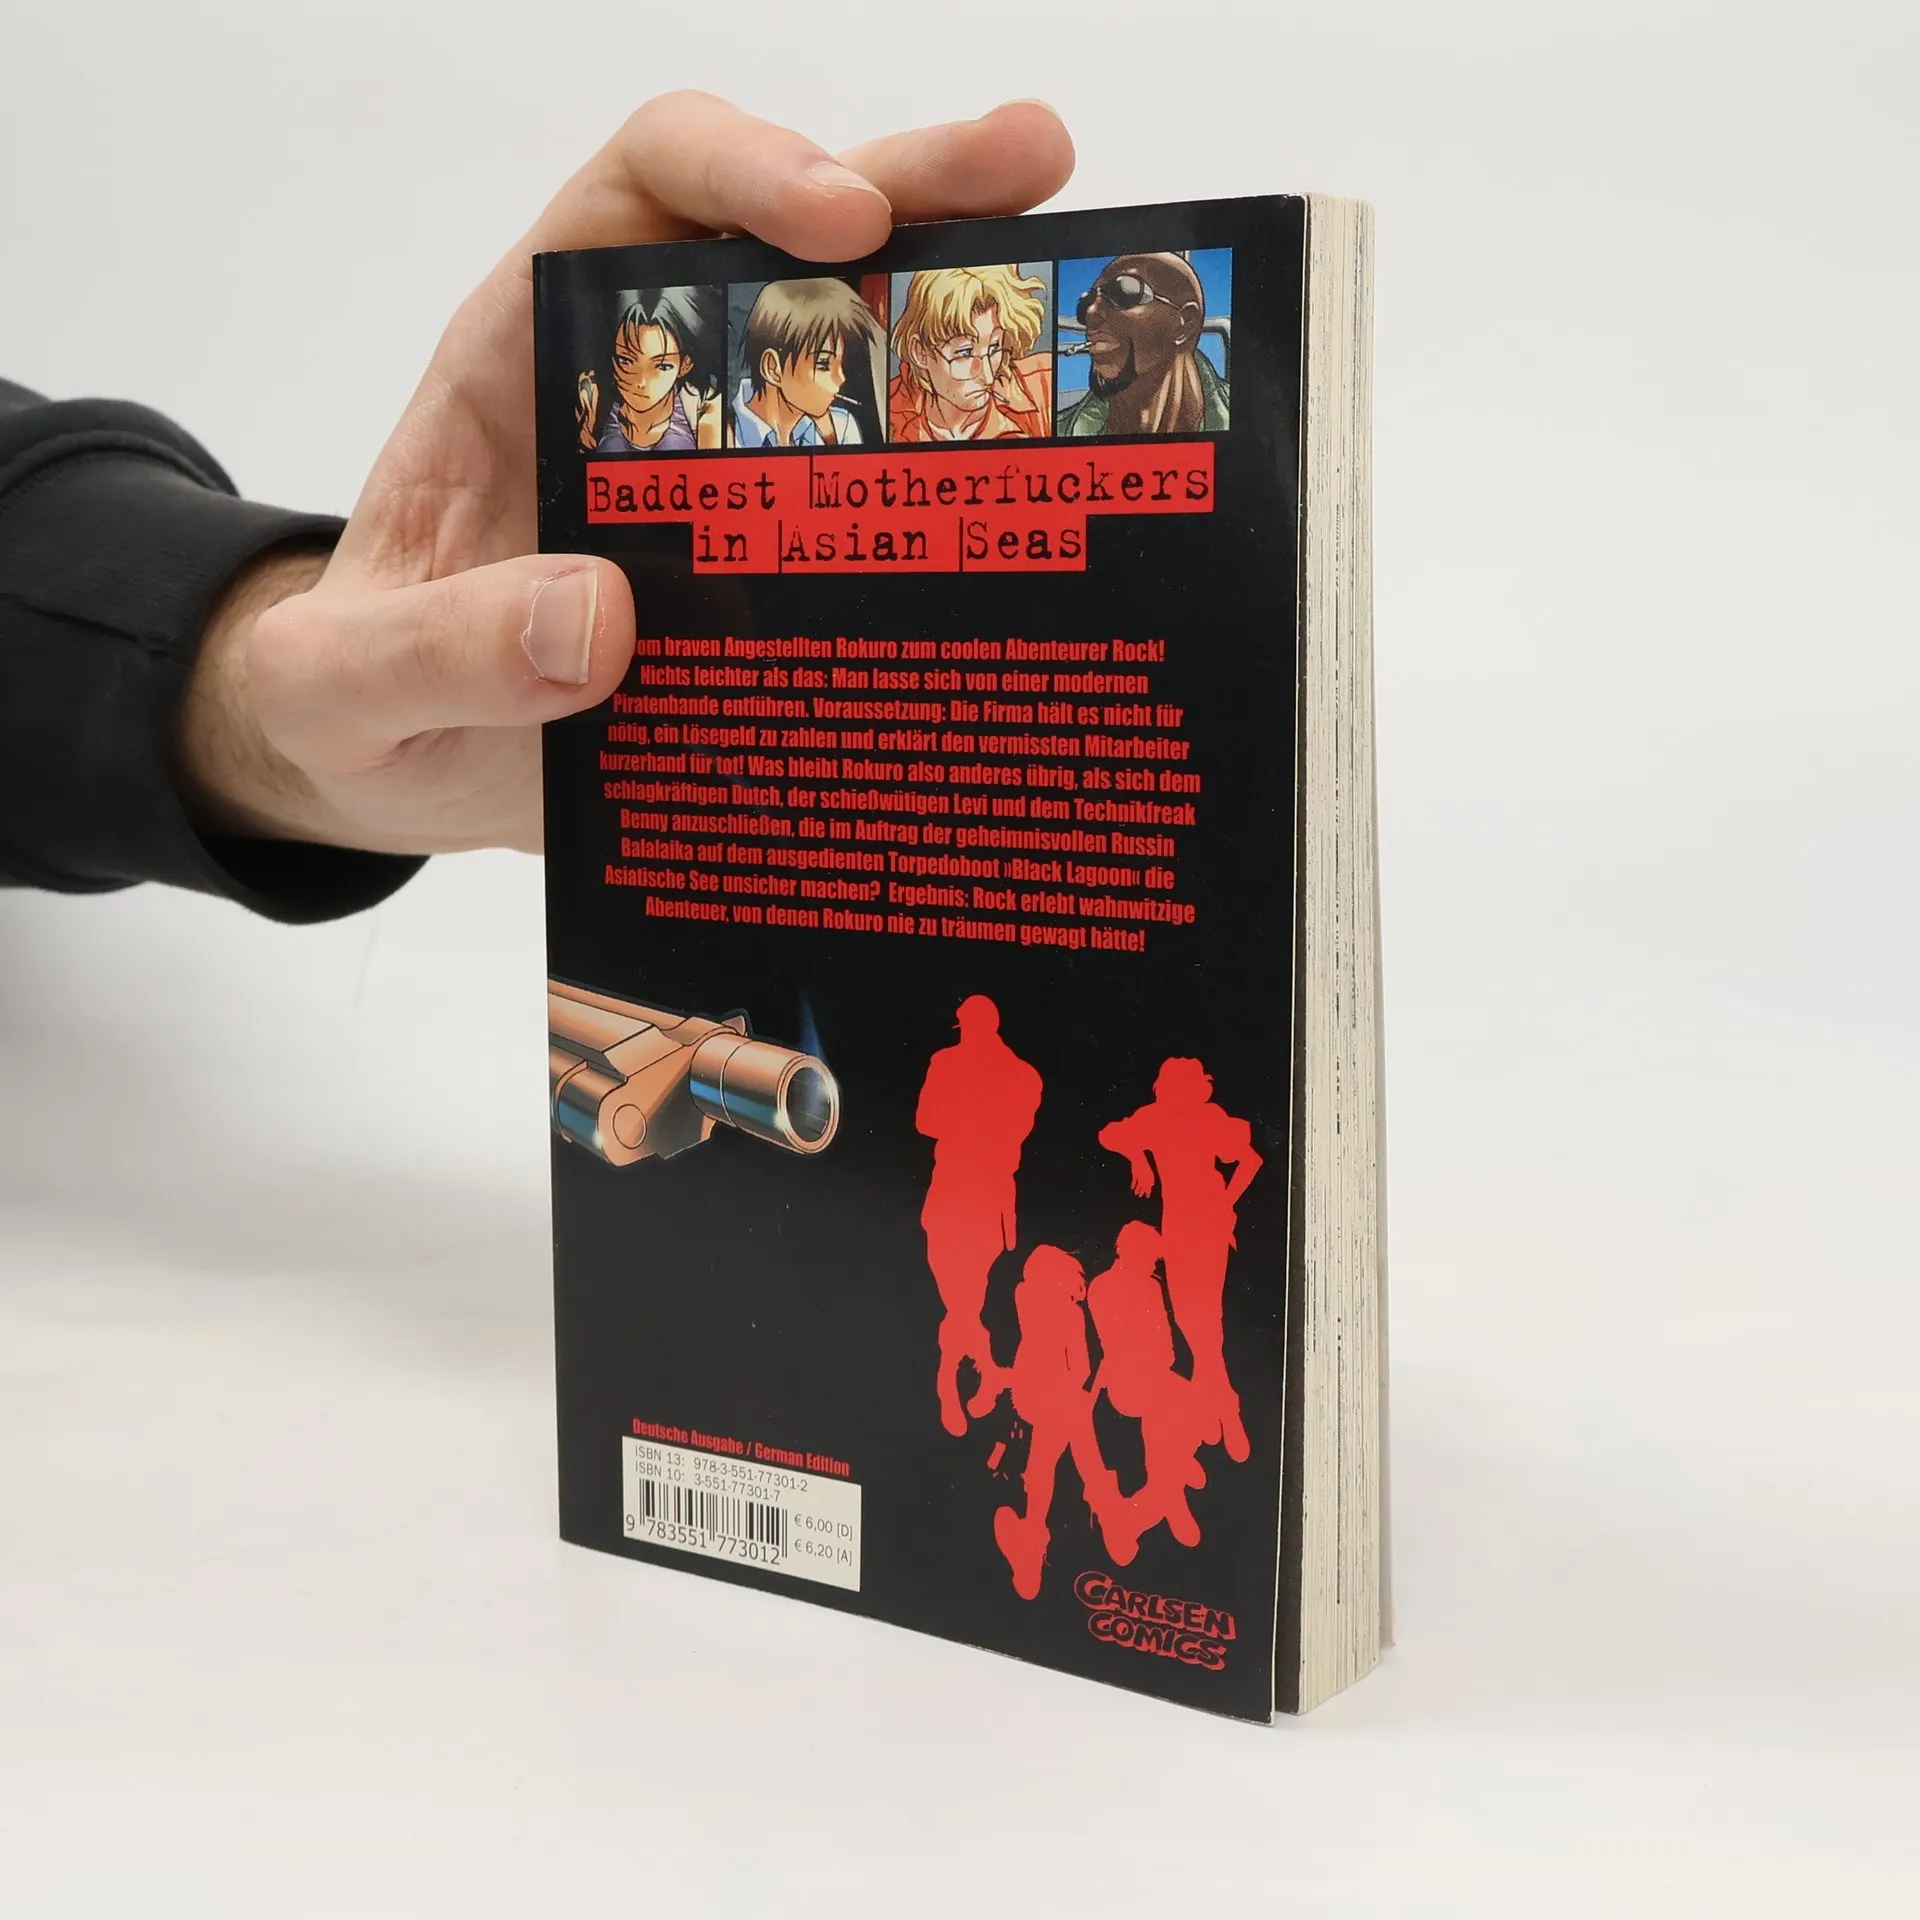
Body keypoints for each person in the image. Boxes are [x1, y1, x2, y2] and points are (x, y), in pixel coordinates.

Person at [0, 95, 1075, 922]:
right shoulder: (716, 426)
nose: (843, 386)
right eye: (827, 364)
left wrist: (272, 686)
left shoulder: (845, 435)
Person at [1098, 1057, 1262, 1461]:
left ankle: (1223, 1409)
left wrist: (1225, 1202)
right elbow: (1109, 1135)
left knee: (1202, 1317)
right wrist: (1139, 1157)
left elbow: (1251, 1160)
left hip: (1206, 1223)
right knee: (1194, 1319)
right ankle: (1220, 1402)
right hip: (1178, 1225)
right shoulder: (1155, 1118)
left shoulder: (1208, 1118)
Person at [914, 994, 1043, 1436]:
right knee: (963, 1299)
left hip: (982, 1195)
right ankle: (987, 1368)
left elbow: (1007, 1131)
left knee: (964, 1299)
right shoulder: (949, 1064)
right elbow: (924, 1121)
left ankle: (948, 1381)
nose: (967, 1033)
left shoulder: (1021, 1075)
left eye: (970, 1025)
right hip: (953, 1190)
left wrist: (963, 1113)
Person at [1057, 252, 1229, 437]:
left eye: (1123, 292)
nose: (1090, 313)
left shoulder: (1245, 418)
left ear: (1185, 322)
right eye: (1085, 302)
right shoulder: (1054, 430)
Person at [887, 264, 1052, 442]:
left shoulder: (1043, 384)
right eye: (965, 353)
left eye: (994, 347)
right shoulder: (885, 410)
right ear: (920, 352)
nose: (988, 377)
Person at [728, 278, 884, 449]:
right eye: (823, 364)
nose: (841, 378)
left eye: (841, 363)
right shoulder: (724, 433)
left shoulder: (841, 426)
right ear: (772, 368)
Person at [577, 286, 724, 453]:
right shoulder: (592, 395)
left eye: (662, 366)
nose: (641, 381)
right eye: (626, 360)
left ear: (685, 364)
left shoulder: (704, 406)